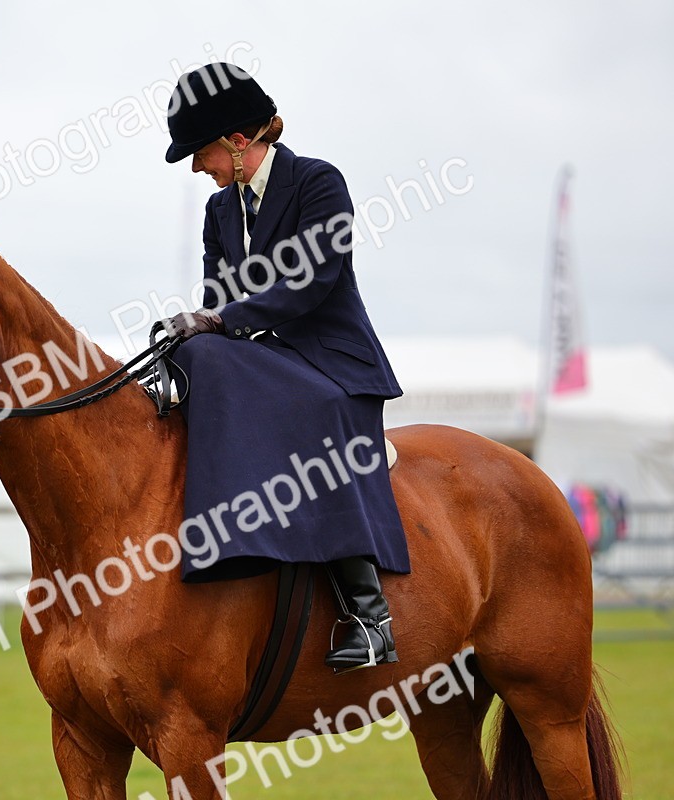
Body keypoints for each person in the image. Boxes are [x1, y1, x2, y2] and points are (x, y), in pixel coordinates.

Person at [161, 63, 409, 672]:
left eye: (201, 153)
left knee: (308, 406)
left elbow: (312, 283)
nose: (198, 168)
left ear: (239, 143)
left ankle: (369, 613)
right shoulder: (220, 213)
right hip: (263, 359)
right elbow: (219, 297)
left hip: (332, 362)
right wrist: (197, 326)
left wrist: (224, 321)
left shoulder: (319, 183)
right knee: (193, 357)